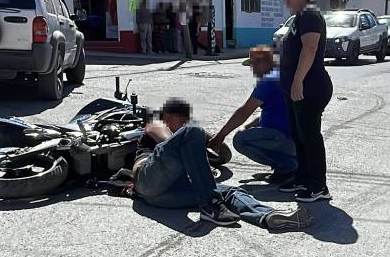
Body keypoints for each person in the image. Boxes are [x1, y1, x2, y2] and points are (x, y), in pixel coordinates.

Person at [133, 98, 310, 230]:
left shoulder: (179, 136)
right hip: (147, 180)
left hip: (169, 195)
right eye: (181, 120)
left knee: (232, 191)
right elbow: (166, 138)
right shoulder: (156, 123)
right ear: (168, 116)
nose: (183, 124)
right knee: (192, 131)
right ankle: (210, 206)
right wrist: (187, 140)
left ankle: (267, 216)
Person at [278, 0, 333, 203]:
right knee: (298, 136)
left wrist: (297, 81)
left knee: (310, 136)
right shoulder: (299, 17)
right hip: (297, 88)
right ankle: (302, 179)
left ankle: (319, 186)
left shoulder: (310, 14)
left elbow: (309, 49)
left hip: (310, 87)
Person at [209, 46, 297, 183]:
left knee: (240, 140)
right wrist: (247, 126)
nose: (253, 69)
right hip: (294, 136)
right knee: (245, 133)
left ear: (264, 63)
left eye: (254, 65)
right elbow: (269, 113)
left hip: (283, 137)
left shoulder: (268, 81)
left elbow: (244, 111)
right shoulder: (280, 75)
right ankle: (290, 161)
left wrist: (220, 135)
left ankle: (288, 166)